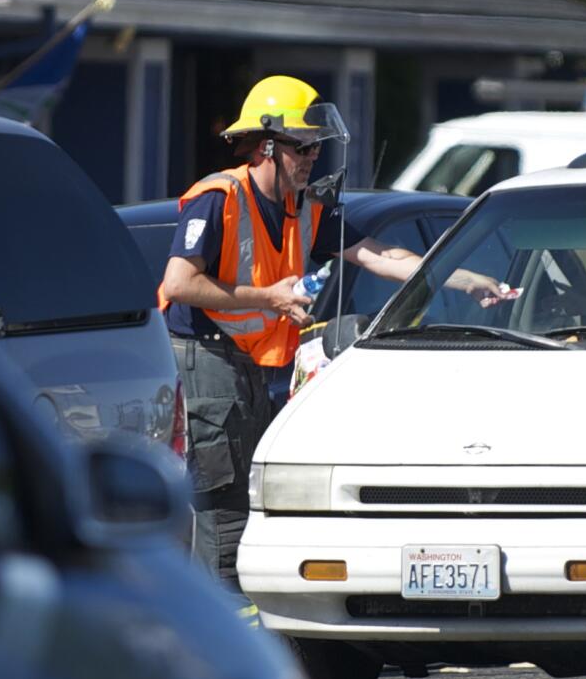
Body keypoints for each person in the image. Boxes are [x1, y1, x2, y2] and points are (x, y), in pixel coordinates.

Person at [160, 75, 499, 601]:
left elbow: (378, 255)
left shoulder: (304, 208)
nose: (313, 157)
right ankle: (224, 651)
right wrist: (267, 297)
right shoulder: (218, 198)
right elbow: (177, 283)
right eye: (303, 146)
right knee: (225, 517)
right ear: (268, 146)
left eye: (317, 146)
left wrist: (462, 276)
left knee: (253, 508)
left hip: (253, 370)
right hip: (207, 364)